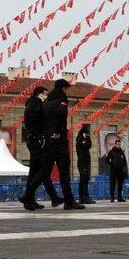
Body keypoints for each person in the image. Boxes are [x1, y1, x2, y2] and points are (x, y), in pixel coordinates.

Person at [41, 79, 85, 210]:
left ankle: (31, 194)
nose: (67, 91)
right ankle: (69, 201)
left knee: (44, 171)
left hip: (47, 139)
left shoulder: (46, 101)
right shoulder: (62, 99)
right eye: (67, 89)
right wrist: (58, 132)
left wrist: (47, 132)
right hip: (58, 140)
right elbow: (61, 114)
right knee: (64, 171)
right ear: (64, 88)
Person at [19, 86, 64, 211]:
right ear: (39, 94)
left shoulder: (31, 104)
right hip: (37, 140)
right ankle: (28, 197)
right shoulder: (36, 105)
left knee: (36, 170)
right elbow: (43, 121)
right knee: (42, 169)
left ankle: (33, 199)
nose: (47, 96)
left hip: (32, 139)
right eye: (45, 93)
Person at [76, 125, 95, 204]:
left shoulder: (83, 139)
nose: (88, 135)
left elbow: (89, 145)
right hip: (82, 163)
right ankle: (85, 197)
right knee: (84, 181)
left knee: (84, 180)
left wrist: (87, 138)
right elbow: (87, 145)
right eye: (87, 134)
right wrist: (86, 137)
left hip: (85, 162)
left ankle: (82, 198)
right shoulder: (80, 140)